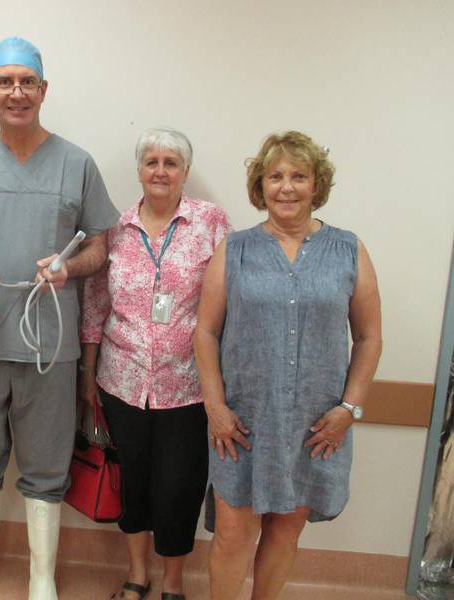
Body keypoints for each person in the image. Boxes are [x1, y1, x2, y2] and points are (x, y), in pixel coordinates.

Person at [0, 37, 119, 600]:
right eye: (4, 82)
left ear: (43, 90)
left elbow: (99, 251)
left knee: (46, 466)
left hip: (49, 349)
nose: (16, 92)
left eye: (26, 81)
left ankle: (40, 577)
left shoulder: (77, 163)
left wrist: (67, 266)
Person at [194, 131, 382, 600]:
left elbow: (369, 337)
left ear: (317, 184)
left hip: (314, 427)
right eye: (275, 176)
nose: (287, 187)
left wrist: (349, 409)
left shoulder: (348, 251)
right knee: (235, 533)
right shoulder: (234, 250)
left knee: (284, 533)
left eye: (299, 176)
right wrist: (214, 406)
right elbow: (206, 332)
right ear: (261, 186)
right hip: (242, 424)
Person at [79, 127, 231, 600]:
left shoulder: (212, 223)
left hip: (189, 385)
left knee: (179, 489)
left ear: (186, 172)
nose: (160, 170)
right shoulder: (117, 228)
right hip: (121, 382)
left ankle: (174, 583)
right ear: (140, 170)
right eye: (152, 162)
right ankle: (136, 574)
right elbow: (95, 303)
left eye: (171, 162)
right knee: (135, 484)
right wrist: (88, 373)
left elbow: (232, 301)